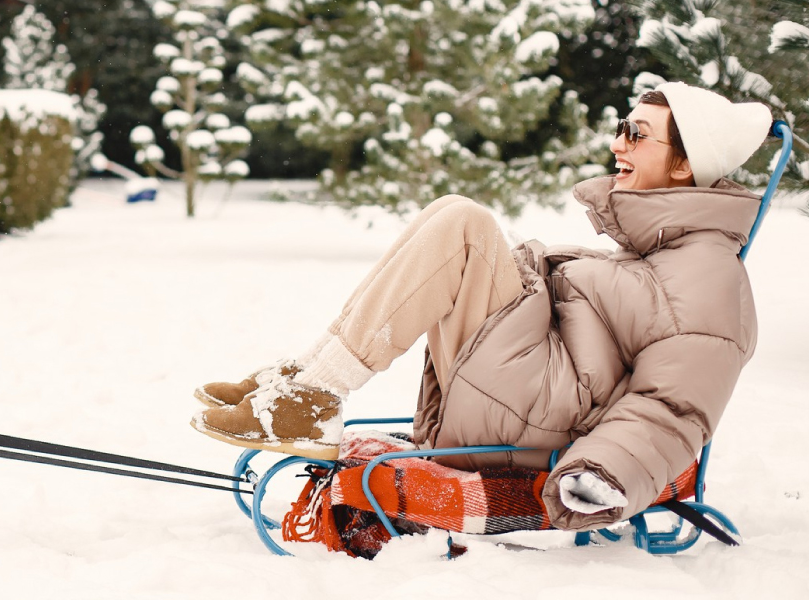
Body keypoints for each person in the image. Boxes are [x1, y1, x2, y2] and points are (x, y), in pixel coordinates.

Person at [190, 82, 773, 531]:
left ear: (683, 166)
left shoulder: (708, 278)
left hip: (539, 423)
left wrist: (602, 474)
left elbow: (672, 408)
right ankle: (308, 382)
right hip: (523, 391)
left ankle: (313, 397)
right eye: (622, 126)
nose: (617, 142)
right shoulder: (659, 255)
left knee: (464, 225)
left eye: (637, 133)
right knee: (453, 217)